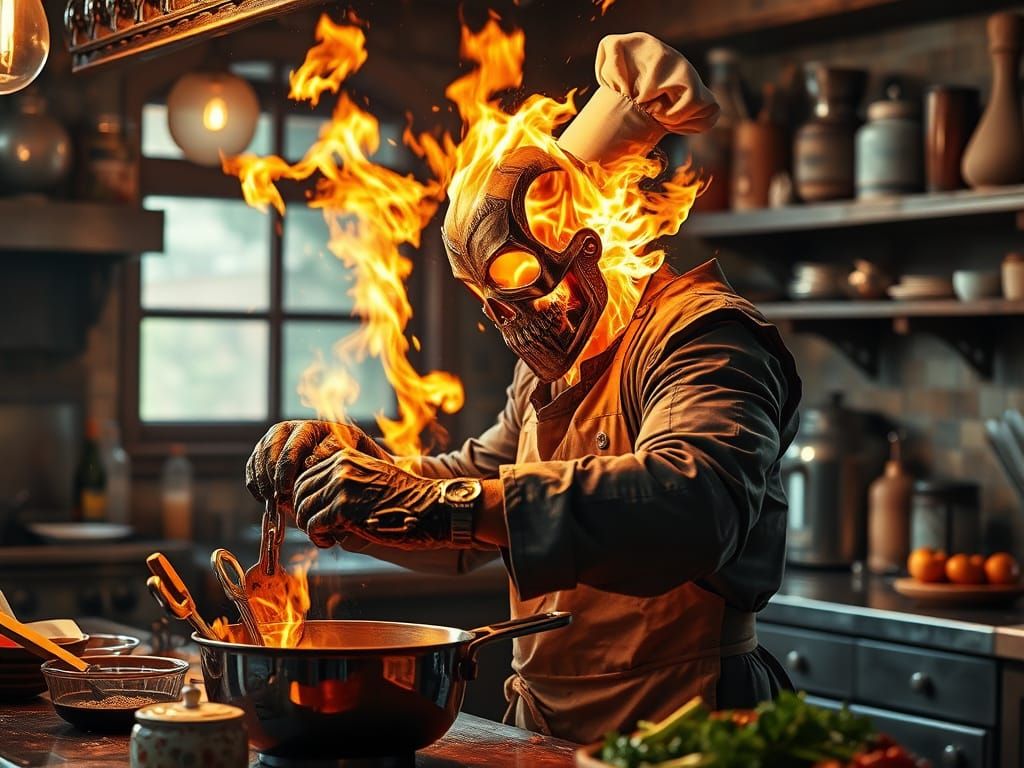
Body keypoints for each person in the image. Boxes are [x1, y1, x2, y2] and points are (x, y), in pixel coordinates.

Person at [245, 33, 801, 745]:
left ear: (592, 236)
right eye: (489, 300)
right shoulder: (558, 366)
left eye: (522, 284)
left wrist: (437, 502)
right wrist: (351, 477)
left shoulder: (702, 335)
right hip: (547, 727)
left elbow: (692, 503)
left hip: (689, 722)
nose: (511, 320)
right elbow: (476, 491)